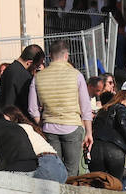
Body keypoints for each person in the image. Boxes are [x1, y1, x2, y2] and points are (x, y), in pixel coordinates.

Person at [29, 41, 93, 177]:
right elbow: (86, 107)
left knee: (55, 169)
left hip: (49, 127)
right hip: (72, 127)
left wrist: (41, 122)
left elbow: (32, 109)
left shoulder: (38, 77)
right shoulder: (76, 75)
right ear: (67, 55)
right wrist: (89, 132)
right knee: (72, 170)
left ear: (50, 55)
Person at [0, 44, 43, 112]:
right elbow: (28, 103)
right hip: (17, 117)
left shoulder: (8, 69)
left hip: (3, 114)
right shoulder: (24, 76)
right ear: (29, 63)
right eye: (37, 66)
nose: (36, 69)